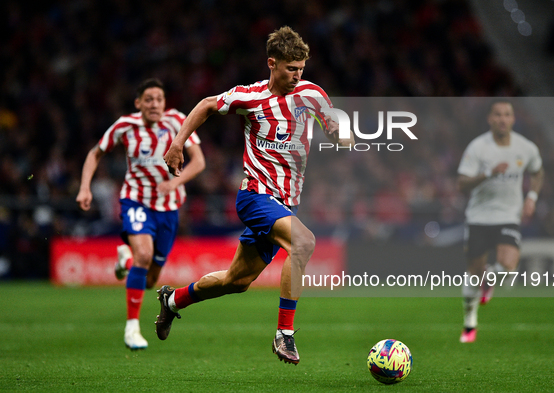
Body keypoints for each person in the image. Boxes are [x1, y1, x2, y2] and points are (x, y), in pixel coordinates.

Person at [155, 26, 353, 365]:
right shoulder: (250, 97)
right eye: (291, 69)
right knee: (303, 243)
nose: (297, 76)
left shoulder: (313, 95)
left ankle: (172, 301)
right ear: (272, 63)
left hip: (284, 203)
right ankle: (284, 335)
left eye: (302, 69)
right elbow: (205, 105)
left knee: (237, 281)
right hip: (255, 196)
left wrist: (341, 134)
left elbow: (338, 134)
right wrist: (177, 143)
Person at [76, 78, 205, 350]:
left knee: (150, 280)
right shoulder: (125, 125)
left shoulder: (177, 121)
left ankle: (125, 259)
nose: (154, 103)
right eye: (148, 99)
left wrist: (174, 183)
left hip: (169, 208)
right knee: (144, 255)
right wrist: (84, 187)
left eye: (159, 98)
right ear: (138, 103)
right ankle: (132, 328)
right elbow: (94, 153)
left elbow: (199, 161)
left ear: (164, 102)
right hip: (136, 200)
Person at [456, 100, 544, 343]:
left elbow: (537, 171)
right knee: (473, 274)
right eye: (498, 115)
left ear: (513, 119)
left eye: (507, 114)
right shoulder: (478, 148)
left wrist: (532, 197)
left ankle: (489, 279)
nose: (502, 119)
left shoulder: (525, 148)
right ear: (490, 119)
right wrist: (488, 174)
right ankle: (470, 322)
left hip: (508, 215)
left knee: (508, 265)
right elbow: (461, 183)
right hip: (479, 217)